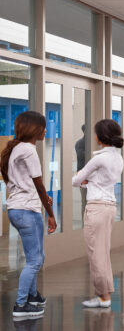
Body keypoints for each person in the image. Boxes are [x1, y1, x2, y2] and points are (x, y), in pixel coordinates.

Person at [2, 111, 58, 319]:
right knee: (35, 260)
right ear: (35, 130)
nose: (45, 130)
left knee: (35, 256)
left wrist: (41, 200)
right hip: (27, 210)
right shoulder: (29, 150)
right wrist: (51, 213)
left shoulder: (15, 149)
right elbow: (39, 184)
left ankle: (33, 296)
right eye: (43, 127)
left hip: (16, 209)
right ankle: (21, 304)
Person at [71, 119, 124, 309]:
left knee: (96, 254)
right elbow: (101, 179)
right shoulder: (118, 157)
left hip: (96, 208)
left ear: (101, 137)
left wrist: (86, 179)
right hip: (109, 207)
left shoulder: (99, 158)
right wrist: (91, 179)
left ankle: (103, 297)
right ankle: (105, 294)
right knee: (103, 253)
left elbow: (76, 180)